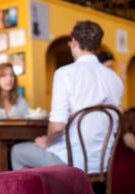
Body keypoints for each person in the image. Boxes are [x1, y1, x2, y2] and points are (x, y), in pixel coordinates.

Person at [11, 20, 123, 173]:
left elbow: (57, 127)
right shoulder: (115, 79)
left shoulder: (65, 73)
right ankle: (89, 192)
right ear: (97, 46)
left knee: (17, 151)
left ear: (75, 42)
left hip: (71, 160)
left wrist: (47, 143)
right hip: (103, 163)